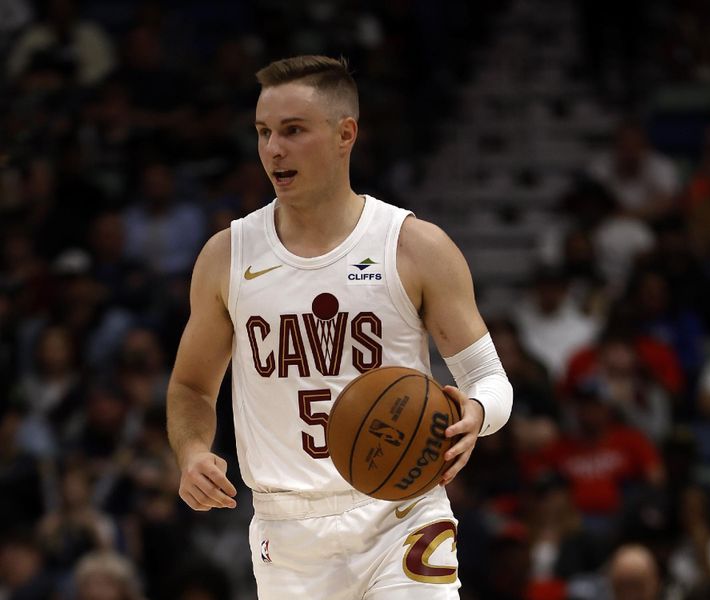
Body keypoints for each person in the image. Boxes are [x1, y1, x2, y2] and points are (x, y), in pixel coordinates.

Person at [166, 55, 512, 599]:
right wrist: (191, 452)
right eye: (263, 132)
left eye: (293, 130)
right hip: (286, 530)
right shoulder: (227, 256)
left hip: (402, 512)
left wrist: (478, 413)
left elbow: (489, 378)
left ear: (344, 133)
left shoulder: (414, 246)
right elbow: (191, 387)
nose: (273, 149)